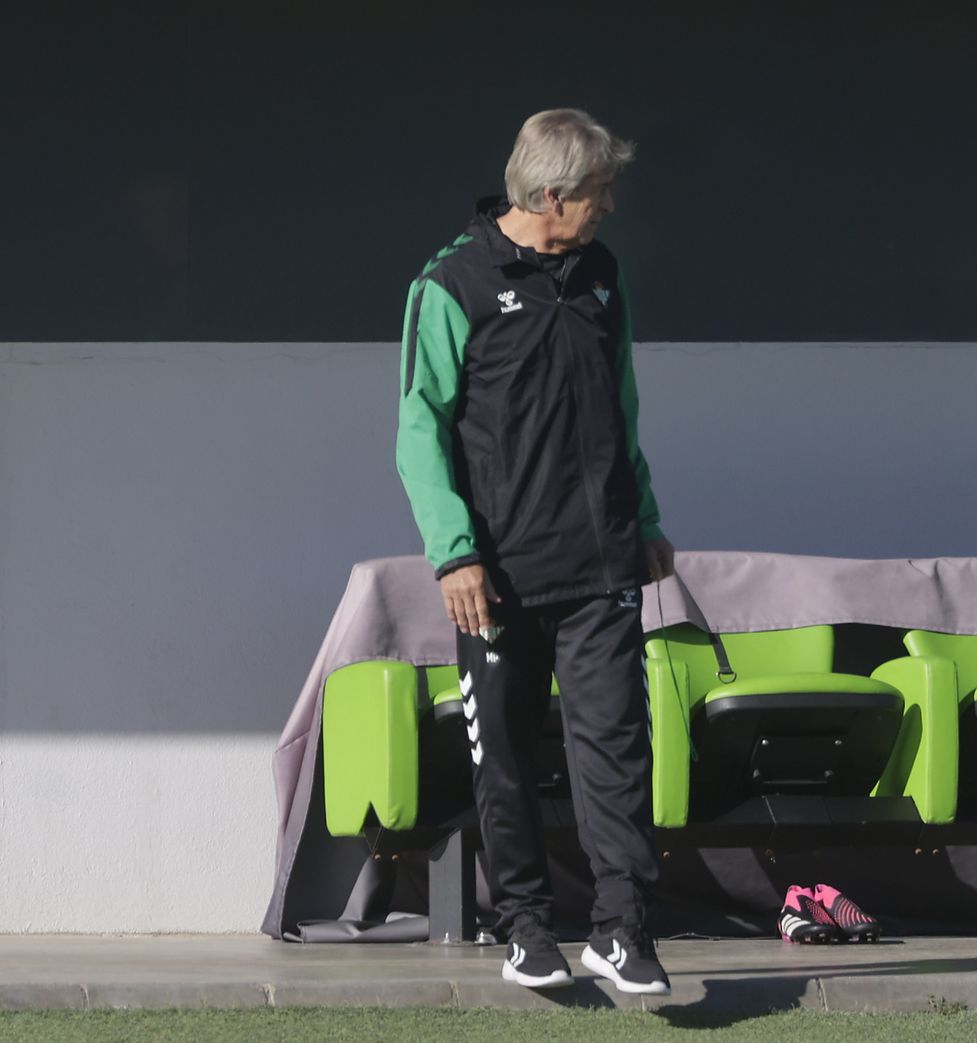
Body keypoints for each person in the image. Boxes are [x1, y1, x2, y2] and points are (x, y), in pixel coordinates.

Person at [396, 109, 674, 995]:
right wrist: (454, 554)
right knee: (506, 755)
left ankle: (623, 931)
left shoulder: (599, 272)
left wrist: (647, 517)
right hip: (498, 578)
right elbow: (418, 431)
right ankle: (523, 926)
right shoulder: (452, 284)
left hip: (603, 568)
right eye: (599, 194)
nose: (609, 207)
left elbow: (619, 403)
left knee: (616, 750)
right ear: (551, 196)